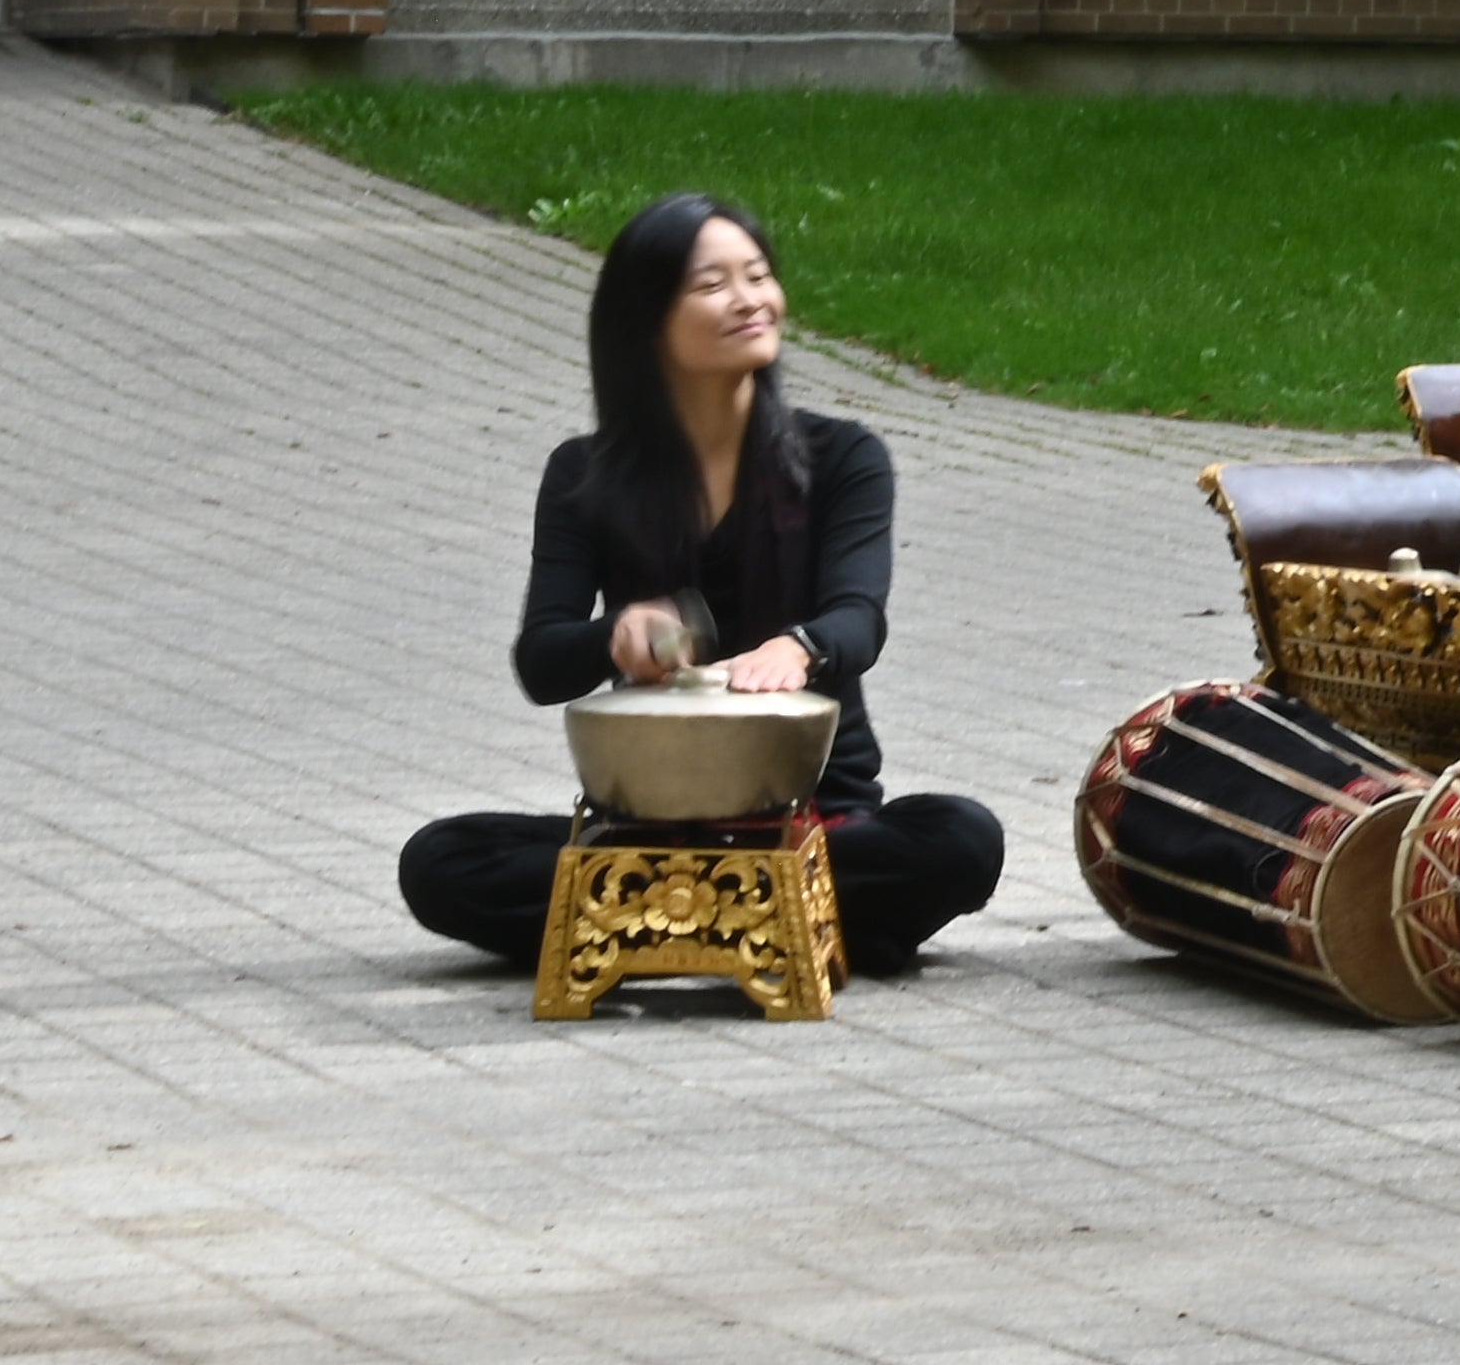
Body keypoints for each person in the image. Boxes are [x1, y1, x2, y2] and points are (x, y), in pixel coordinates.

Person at [407, 196, 1009, 977]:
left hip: (815, 816)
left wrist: (799, 648)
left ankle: (641, 926)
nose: (750, 299)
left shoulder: (845, 458)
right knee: (439, 859)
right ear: (645, 318)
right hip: (647, 821)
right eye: (713, 284)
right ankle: (782, 924)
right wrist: (615, 633)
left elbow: (859, 616)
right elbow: (542, 661)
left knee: (962, 839)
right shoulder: (582, 475)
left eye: (758, 275)